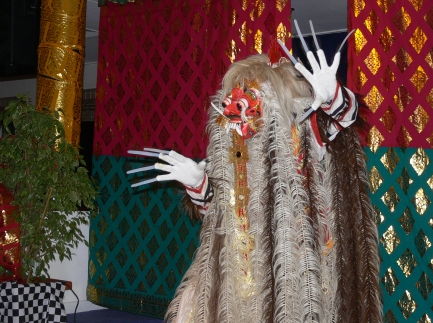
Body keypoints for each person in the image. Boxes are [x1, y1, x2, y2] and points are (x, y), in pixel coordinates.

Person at [130, 26, 382, 323]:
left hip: (298, 268)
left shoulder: (304, 133)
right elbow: (219, 210)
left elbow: (343, 120)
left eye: (250, 95)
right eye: (234, 95)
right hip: (240, 267)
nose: (235, 107)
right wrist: (197, 183)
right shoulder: (233, 149)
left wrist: (332, 97)